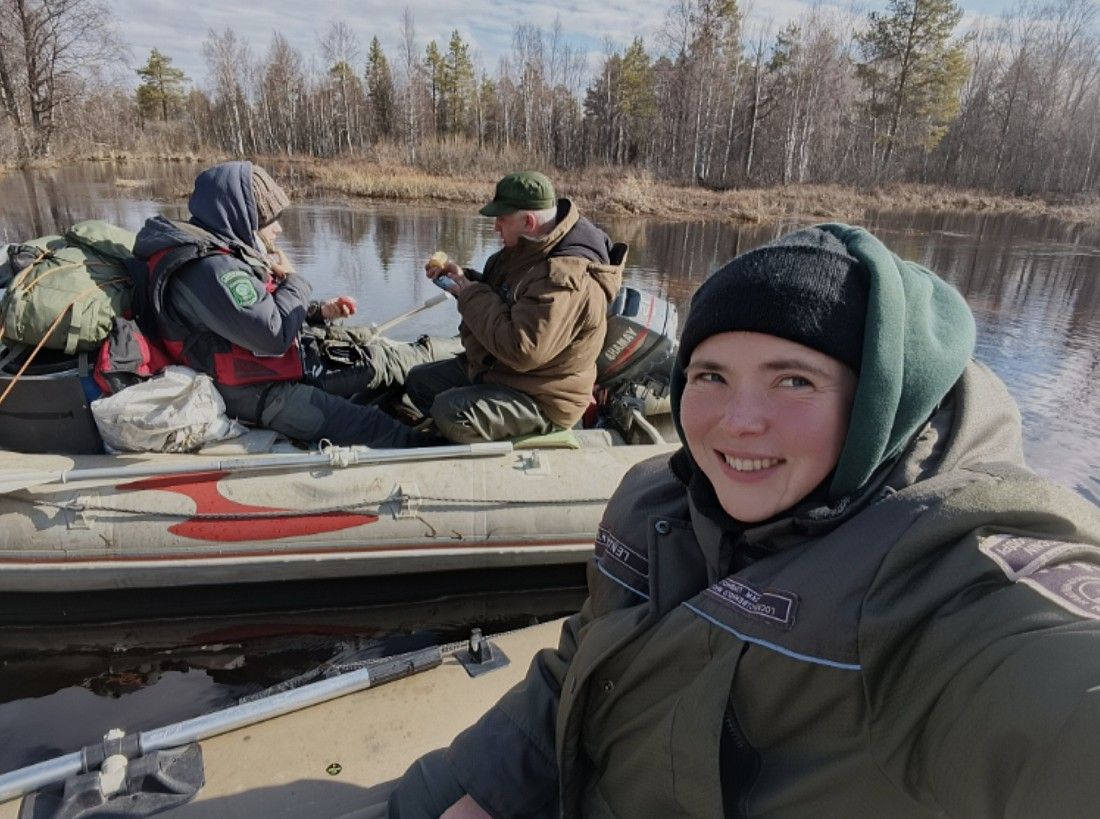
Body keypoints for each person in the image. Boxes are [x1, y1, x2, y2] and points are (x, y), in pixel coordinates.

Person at [388, 224, 1100, 817]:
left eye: (795, 380)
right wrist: (487, 788)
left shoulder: (940, 574)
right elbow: (580, 661)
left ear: (879, 402)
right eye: (711, 376)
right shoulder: (657, 502)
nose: (737, 421)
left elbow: (1052, 685)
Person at [133, 161, 457, 448]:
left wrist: (318, 311)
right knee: (383, 430)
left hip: (287, 368)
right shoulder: (210, 269)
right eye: (270, 218)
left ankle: (465, 358)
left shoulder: (224, 252)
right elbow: (271, 333)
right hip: (264, 394)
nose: (279, 228)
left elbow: (254, 314)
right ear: (243, 217)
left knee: (389, 361)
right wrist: (295, 281)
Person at [407, 171, 626, 442]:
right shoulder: (531, 246)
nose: (496, 227)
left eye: (501, 219)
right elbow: (508, 296)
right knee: (419, 382)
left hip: (544, 396)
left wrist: (471, 295)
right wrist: (464, 280)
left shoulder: (566, 280)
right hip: (504, 373)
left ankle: (495, 465)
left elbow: (523, 349)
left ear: (529, 221)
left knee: (450, 412)